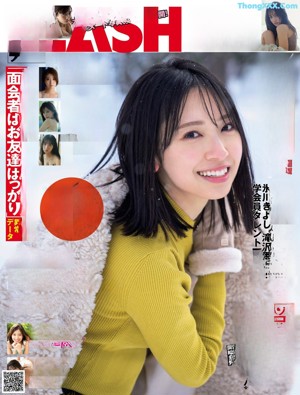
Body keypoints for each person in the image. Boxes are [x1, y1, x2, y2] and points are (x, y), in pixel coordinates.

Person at [61, 58, 254, 395]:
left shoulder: (186, 216)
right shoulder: (147, 257)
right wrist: (214, 260)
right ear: (151, 154)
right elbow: (195, 368)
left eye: (225, 126)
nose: (220, 151)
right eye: (192, 133)